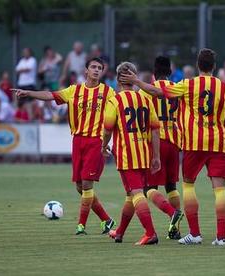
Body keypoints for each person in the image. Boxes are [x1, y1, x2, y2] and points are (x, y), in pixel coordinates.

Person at [121, 48, 225, 246]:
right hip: (208, 142)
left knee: (185, 185)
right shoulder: (224, 87)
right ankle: (221, 237)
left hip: (188, 142)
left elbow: (157, 93)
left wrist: (138, 82)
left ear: (198, 65)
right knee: (218, 189)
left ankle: (193, 232)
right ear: (214, 66)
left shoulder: (186, 85)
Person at [13, 57, 116, 235]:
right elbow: (50, 96)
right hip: (77, 141)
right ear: (86, 71)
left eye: (100, 68)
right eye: (93, 67)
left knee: (86, 184)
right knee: (79, 186)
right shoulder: (74, 90)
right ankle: (106, 220)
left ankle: (81, 225)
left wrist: (109, 142)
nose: (96, 70)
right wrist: (29, 92)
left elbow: (118, 113)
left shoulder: (108, 92)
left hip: (96, 141)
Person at [103, 61, 161, 245]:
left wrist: (103, 145)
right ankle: (119, 232)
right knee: (131, 195)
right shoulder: (145, 100)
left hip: (126, 156)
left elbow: (107, 129)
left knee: (136, 194)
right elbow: (155, 130)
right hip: (144, 154)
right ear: (133, 77)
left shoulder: (115, 100)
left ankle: (150, 233)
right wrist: (156, 156)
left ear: (118, 79)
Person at [138, 56, 185, 240]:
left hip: (156, 142)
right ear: (170, 72)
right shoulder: (177, 89)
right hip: (174, 141)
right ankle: (175, 229)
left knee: (148, 188)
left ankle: (171, 213)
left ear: (153, 72)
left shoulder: (146, 91)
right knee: (171, 186)